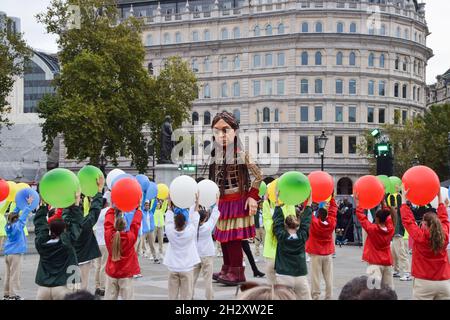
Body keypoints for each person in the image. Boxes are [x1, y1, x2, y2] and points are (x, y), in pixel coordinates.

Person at [400, 187, 450, 300]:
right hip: (444, 282)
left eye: (423, 221)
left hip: (424, 282)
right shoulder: (445, 235)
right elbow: (444, 219)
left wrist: (403, 200)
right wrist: (439, 198)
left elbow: (408, 220)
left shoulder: (420, 236)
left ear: (425, 224)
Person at [34, 194, 83, 300]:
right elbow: (77, 223)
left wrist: (42, 205)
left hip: (43, 288)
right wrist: (76, 203)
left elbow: (39, 225)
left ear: (50, 229)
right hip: (63, 287)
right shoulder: (67, 243)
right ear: (64, 229)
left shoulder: (41, 243)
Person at [272, 192, 313, 300]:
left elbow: (277, 221)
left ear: (285, 225)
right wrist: (309, 201)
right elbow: (306, 221)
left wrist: (277, 201)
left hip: (283, 275)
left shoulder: (281, 236)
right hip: (300, 275)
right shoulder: (302, 236)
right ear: (297, 224)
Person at [354, 194, 395, 289]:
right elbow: (388, 217)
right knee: (389, 290)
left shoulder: (372, 229)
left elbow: (361, 217)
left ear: (376, 219)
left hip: (374, 263)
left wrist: (358, 204)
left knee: (373, 291)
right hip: (387, 263)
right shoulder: (390, 229)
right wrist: (383, 203)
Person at [164, 197, 201, 300]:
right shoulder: (190, 231)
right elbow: (194, 217)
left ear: (174, 222)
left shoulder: (169, 230)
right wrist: (195, 201)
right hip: (187, 267)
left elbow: (169, 214)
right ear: (185, 222)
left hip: (172, 267)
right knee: (186, 298)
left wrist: (170, 201)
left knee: (172, 297)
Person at [72, 176, 105, 291]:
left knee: (71, 288)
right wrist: (99, 190)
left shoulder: (65, 223)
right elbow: (95, 210)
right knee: (82, 287)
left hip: (70, 259)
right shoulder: (85, 224)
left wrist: (74, 201)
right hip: (84, 259)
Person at [104, 205, 142, 300]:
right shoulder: (130, 237)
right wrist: (138, 210)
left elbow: (108, 223)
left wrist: (112, 208)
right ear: (125, 226)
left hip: (112, 272)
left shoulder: (109, 236)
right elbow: (135, 224)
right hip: (126, 273)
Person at [305, 196, 338, 300]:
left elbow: (307, 210)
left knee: (315, 277)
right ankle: (329, 296)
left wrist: (308, 198)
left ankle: (316, 296)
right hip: (327, 253)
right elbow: (333, 210)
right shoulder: (331, 223)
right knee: (329, 277)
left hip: (316, 253)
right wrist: (332, 197)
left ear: (318, 215)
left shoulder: (314, 222)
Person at [2, 196, 34, 300]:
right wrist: (28, 204)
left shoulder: (8, 225)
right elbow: (24, 214)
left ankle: (6, 294)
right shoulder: (19, 225)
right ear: (17, 218)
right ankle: (13, 295)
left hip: (7, 253)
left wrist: (18, 205)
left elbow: (14, 214)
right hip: (15, 254)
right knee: (14, 275)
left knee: (8, 274)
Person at [261, 194, 296, 285]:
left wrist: (265, 202)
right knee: (286, 283)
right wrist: (288, 201)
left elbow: (266, 216)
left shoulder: (270, 226)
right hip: (285, 253)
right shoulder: (288, 227)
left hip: (270, 255)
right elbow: (291, 215)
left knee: (271, 284)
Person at [192, 199, 220, 300]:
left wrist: (196, 201)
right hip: (207, 255)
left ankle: (189, 297)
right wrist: (217, 201)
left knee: (192, 280)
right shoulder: (208, 226)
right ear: (205, 219)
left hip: (195, 255)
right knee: (208, 281)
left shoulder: (194, 226)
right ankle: (209, 298)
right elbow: (214, 216)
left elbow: (194, 213)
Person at [387, 192, 412, 281]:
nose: (395, 208)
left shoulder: (400, 214)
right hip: (394, 236)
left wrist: (399, 196)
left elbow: (400, 205)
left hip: (399, 236)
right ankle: (396, 270)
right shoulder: (392, 214)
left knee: (401, 254)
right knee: (394, 254)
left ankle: (407, 273)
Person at [93, 196, 110, 297]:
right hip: (104, 243)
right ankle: (103, 287)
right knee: (104, 266)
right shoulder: (106, 211)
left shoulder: (96, 213)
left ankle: (97, 286)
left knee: (97, 266)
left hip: (97, 243)